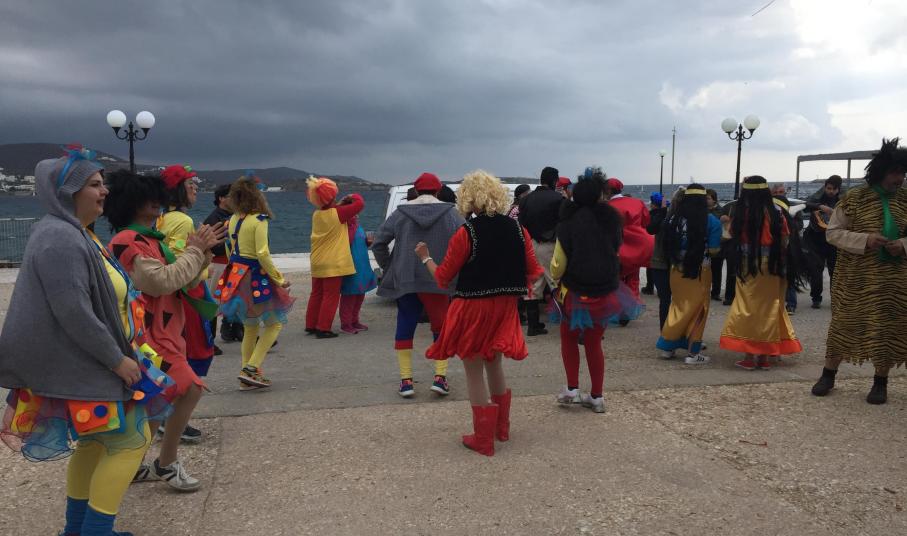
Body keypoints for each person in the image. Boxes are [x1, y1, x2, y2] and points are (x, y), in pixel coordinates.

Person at [0, 150, 174, 535]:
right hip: (89, 364)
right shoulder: (60, 239)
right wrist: (117, 360)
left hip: (87, 362)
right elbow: (73, 312)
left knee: (95, 444)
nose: (104, 190)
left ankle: (76, 529)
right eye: (94, 184)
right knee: (131, 440)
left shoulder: (76, 232)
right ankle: (95, 531)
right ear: (68, 192)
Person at [105, 170, 225, 492]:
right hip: (150, 336)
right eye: (149, 197)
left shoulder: (148, 239)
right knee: (188, 388)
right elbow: (161, 282)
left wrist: (201, 252)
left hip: (165, 332)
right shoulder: (128, 241)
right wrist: (195, 250)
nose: (157, 202)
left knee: (160, 396)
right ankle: (166, 462)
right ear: (131, 202)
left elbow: (181, 279)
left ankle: (135, 462)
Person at [414, 170, 542, 456]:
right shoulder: (519, 230)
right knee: (494, 364)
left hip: (472, 308)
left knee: (473, 371)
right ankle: (502, 429)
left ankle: (483, 438)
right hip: (505, 307)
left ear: (469, 199)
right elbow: (533, 271)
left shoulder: (467, 232)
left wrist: (425, 258)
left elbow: (443, 278)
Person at [812, 139, 907, 405]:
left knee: (888, 329)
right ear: (881, 172)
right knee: (844, 325)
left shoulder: (906, 200)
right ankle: (828, 375)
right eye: (895, 173)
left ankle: (880, 382)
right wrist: (865, 240)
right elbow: (833, 233)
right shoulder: (854, 198)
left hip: (894, 283)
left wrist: (903, 244)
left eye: (903, 173)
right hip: (855, 279)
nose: (900, 179)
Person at [550, 176, 639, 413]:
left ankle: (572, 389)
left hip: (575, 290)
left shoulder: (567, 223)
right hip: (604, 290)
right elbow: (617, 251)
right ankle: (597, 396)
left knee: (568, 338)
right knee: (594, 342)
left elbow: (558, 264)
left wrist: (555, 277)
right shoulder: (611, 222)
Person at [372, 172, 464, 397]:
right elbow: (465, 243)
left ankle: (406, 382)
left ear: (415, 189)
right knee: (441, 327)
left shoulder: (401, 213)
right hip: (437, 278)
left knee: (405, 325)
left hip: (406, 278)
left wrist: (390, 266)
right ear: (439, 190)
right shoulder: (451, 214)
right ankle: (440, 378)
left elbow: (379, 243)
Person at [216, 176, 296, 389]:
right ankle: (251, 368)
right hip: (255, 277)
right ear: (256, 196)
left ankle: (247, 376)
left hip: (236, 275)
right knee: (274, 324)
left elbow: (229, 248)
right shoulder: (259, 220)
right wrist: (279, 279)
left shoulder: (233, 219)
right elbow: (262, 253)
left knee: (250, 327)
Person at [157, 165, 216, 447]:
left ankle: (166, 415)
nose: (195, 188)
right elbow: (183, 265)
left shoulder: (163, 218)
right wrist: (205, 261)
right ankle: (173, 418)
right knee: (196, 353)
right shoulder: (182, 221)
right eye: (190, 184)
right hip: (188, 295)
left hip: (170, 297)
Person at [719, 176, 803, 370]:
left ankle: (749, 356)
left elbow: (729, 235)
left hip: (748, 266)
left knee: (748, 308)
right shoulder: (777, 212)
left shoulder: (742, 213)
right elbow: (785, 240)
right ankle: (765, 356)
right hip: (772, 267)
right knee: (770, 308)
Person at [656, 184, 722, 364]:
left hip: (676, 269)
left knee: (678, 306)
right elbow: (714, 250)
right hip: (699, 271)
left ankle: (668, 347)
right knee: (699, 309)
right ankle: (693, 353)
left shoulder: (674, 219)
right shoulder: (711, 221)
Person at [304, 177, 364, 338]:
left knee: (316, 294)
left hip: (317, 260)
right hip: (333, 262)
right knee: (331, 296)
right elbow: (359, 204)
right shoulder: (338, 213)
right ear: (332, 196)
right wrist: (352, 196)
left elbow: (332, 210)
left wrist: (340, 203)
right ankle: (323, 328)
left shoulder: (317, 214)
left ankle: (311, 325)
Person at [518, 166, 565, 336]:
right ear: (554, 181)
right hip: (551, 244)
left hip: (530, 244)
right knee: (557, 282)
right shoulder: (558, 199)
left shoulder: (526, 200)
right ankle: (572, 323)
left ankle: (533, 325)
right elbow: (564, 223)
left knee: (534, 284)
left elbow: (521, 223)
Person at [604, 177, 653, 325]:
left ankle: (616, 310)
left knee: (615, 280)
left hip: (615, 247)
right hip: (636, 245)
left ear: (608, 191)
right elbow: (646, 221)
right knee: (632, 278)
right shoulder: (637, 202)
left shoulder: (606, 207)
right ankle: (629, 310)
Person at [205, 183, 243, 342]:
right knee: (215, 301)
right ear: (221, 198)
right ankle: (210, 338)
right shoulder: (213, 218)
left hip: (233, 262)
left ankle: (234, 330)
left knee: (236, 298)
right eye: (231, 196)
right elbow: (210, 245)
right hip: (219, 264)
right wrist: (233, 244)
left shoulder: (237, 216)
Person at [339, 198, 378, 334]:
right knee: (349, 294)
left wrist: (367, 242)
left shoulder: (356, 224)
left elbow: (359, 242)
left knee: (360, 293)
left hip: (362, 263)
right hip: (350, 264)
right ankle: (345, 324)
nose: (357, 213)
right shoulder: (344, 225)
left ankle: (354, 320)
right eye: (354, 210)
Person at [803, 175, 842, 309]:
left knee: (834, 272)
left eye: (834, 189)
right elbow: (805, 205)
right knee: (815, 270)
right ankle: (816, 298)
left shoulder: (841, 202)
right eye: (828, 188)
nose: (831, 191)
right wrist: (820, 206)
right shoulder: (817, 198)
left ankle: (835, 299)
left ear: (838, 189)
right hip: (815, 240)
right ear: (825, 187)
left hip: (833, 242)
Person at [647, 189, 684, 329]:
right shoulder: (663, 215)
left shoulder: (687, 218)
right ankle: (667, 331)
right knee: (666, 298)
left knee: (671, 299)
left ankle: (672, 331)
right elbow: (651, 228)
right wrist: (662, 211)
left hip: (673, 263)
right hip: (663, 263)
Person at [641, 192, 664, 295]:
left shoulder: (650, 215)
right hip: (660, 242)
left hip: (651, 242)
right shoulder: (666, 213)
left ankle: (650, 287)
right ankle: (659, 289)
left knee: (650, 265)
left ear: (653, 204)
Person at [706, 189, 725, 301]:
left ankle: (715, 292)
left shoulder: (721, 211)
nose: (706, 200)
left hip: (717, 245)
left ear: (714, 200)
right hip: (705, 245)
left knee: (717, 270)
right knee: (705, 270)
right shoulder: (702, 210)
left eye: (708, 198)